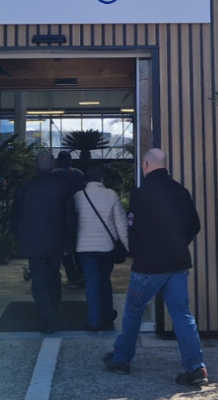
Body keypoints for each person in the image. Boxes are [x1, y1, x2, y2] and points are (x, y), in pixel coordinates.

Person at [103, 148, 208, 386]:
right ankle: (196, 366)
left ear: (145, 165)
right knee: (182, 314)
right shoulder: (181, 191)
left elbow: (133, 229)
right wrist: (179, 244)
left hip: (148, 265)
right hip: (178, 262)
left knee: (134, 311)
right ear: (165, 165)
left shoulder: (141, 194)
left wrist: (136, 253)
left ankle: (121, 360)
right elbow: (194, 225)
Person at [11, 150, 76, 334]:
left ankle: (45, 318)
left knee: (39, 281)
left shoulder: (25, 189)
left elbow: (15, 218)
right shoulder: (63, 187)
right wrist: (69, 244)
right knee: (54, 278)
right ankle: (52, 315)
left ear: (35, 165)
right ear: (53, 164)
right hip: (56, 242)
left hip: (33, 243)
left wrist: (20, 239)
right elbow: (70, 218)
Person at [74, 164, 129, 332]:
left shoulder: (77, 196)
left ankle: (93, 321)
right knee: (105, 280)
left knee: (91, 282)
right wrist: (128, 246)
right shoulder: (111, 195)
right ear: (102, 179)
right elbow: (121, 224)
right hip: (106, 247)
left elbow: (72, 222)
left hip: (84, 247)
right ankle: (107, 314)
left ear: (85, 180)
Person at [54, 150, 86, 288]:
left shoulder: (54, 174)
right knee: (77, 246)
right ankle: (82, 274)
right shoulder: (79, 174)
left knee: (64, 248)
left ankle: (72, 277)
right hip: (77, 212)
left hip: (60, 215)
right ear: (70, 161)